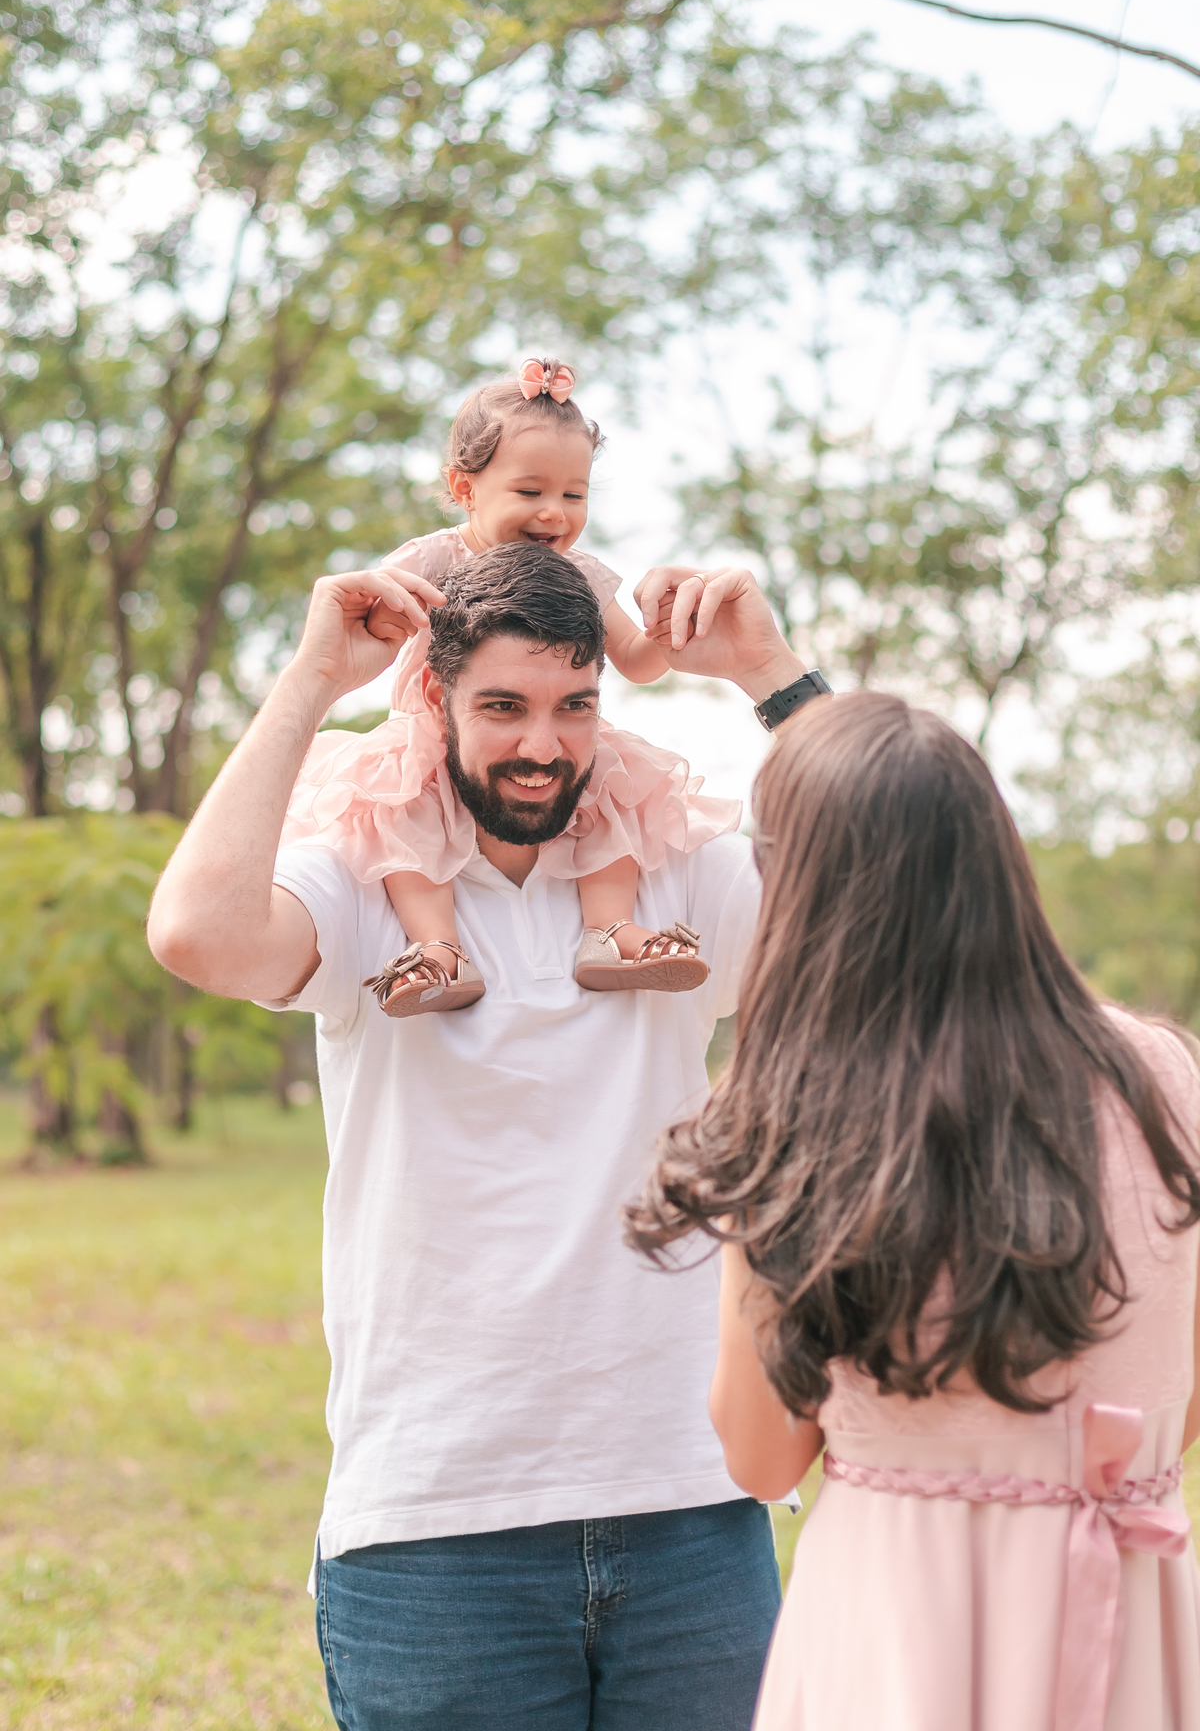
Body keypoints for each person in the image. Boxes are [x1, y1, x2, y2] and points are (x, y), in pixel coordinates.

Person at [146, 540, 831, 1730]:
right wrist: (311, 680)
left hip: (690, 1510)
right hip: (432, 1533)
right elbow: (199, 933)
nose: (542, 745)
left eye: (575, 706)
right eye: (502, 706)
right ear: (435, 699)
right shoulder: (362, 887)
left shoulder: (680, 879)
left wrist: (770, 673)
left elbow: (913, 898)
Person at [626, 690, 1200, 1731]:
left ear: (800, 891)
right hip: (1124, 1585)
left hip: (900, 1613)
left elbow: (761, 1456)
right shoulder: (1163, 1075)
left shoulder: (794, 1112)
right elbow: (1183, 1389)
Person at [280, 355, 739, 1018]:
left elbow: (636, 660)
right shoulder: (432, 558)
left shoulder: (582, 573)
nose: (554, 513)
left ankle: (608, 931)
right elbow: (375, 625)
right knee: (399, 812)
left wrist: (675, 625)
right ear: (464, 488)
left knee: (617, 789)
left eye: (573, 495)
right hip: (439, 737)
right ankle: (439, 950)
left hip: (547, 732)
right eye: (530, 492)